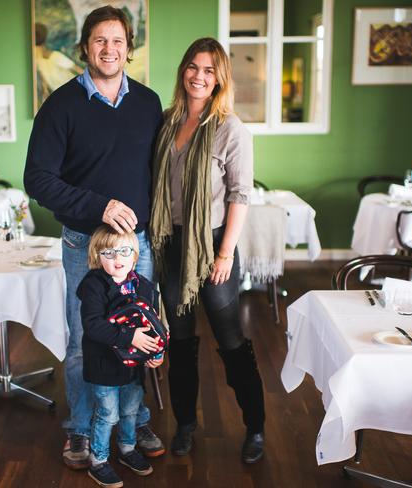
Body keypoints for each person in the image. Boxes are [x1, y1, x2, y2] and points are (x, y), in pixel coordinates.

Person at [24, 5, 164, 470]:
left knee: (137, 332)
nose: (110, 49)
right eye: (100, 40)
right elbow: (38, 180)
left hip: (137, 246)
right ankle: (82, 429)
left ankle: (133, 420)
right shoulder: (60, 105)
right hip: (84, 246)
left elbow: (157, 175)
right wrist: (99, 206)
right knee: (87, 339)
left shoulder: (147, 103)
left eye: (118, 40)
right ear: (85, 47)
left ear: (129, 47)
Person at [150, 37, 266, 463]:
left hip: (213, 244)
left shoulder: (230, 129)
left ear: (220, 79)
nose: (200, 76)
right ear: (184, 71)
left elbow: (240, 194)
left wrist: (225, 254)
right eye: (193, 67)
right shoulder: (167, 121)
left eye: (209, 70)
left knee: (230, 339)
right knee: (180, 342)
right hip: (172, 243)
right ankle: (184, 425)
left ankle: (255, 426)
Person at [77, 225, 163, 487]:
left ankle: (127, 450)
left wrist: (156, 353)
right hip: (103, 366)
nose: (118, 259)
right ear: (97, 256)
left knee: (130, 411)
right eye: (109, 253)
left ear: (135, 255)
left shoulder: (144, 286)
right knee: (108, 414)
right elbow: (93, 326)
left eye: (124, 251)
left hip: (133, 368)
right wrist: (130, 337)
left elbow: (153, 324)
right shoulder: (93, 285)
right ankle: (99, 460)